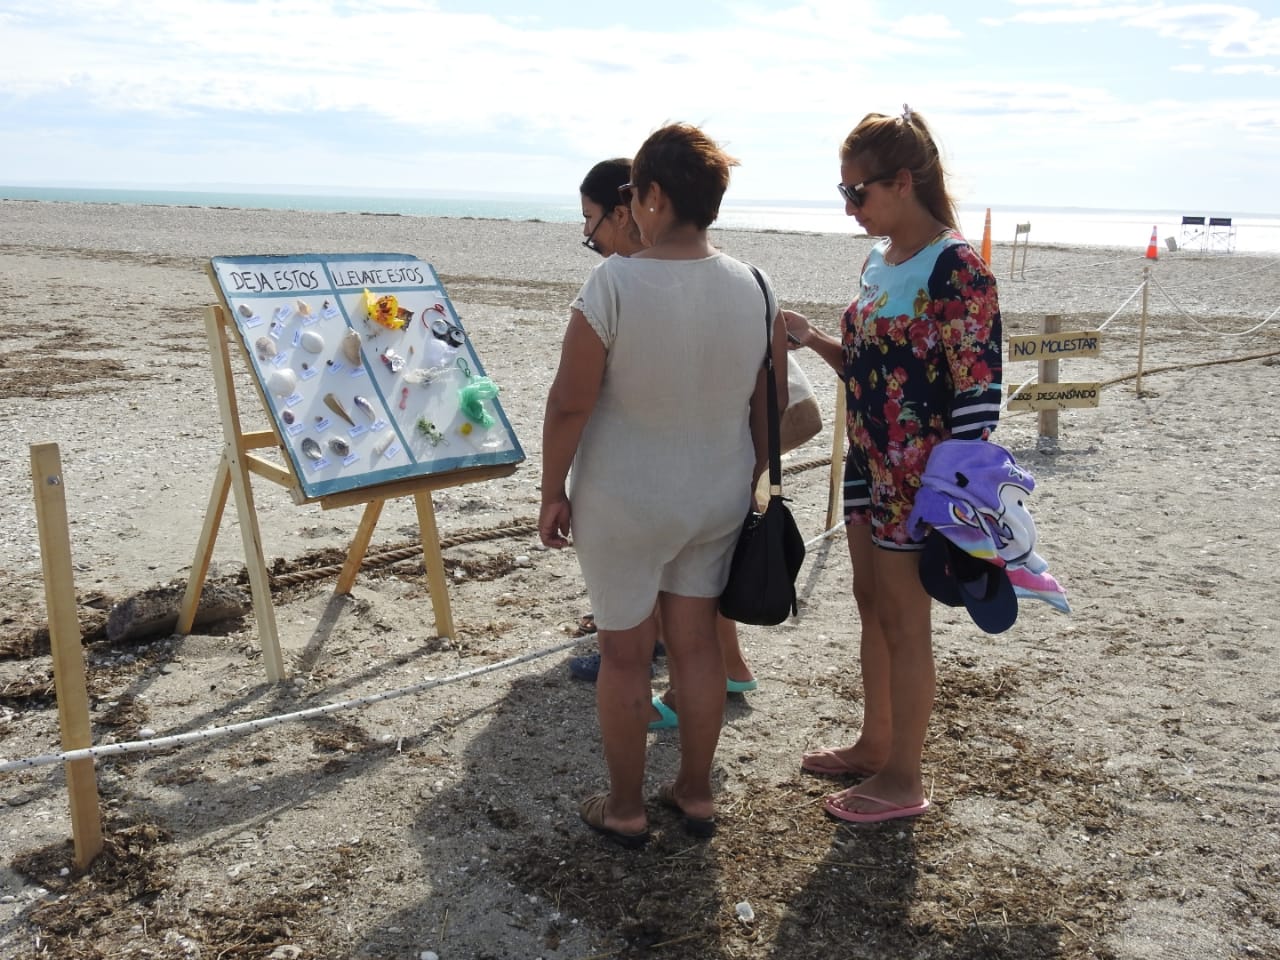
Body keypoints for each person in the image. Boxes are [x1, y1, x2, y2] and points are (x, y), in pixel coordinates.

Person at [540, 123, 789, 846]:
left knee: (624, 655)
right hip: (716, 494)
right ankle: (696, 791)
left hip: (624, 498)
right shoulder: (756, 285)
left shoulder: (613, 282)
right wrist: (753, 480)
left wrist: (552, 489)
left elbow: (570, 402)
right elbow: (767, 406)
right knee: (697, 647)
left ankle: (625, 806)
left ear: (650, 195)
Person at [783, 105, 1002, 824]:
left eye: (858, 192)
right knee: (871, 602)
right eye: (843, 191)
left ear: (903, 182)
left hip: (921, 479)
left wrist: (949, 499)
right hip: (869, 463)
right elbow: (871, 371)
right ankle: (875, 743)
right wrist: (812, 337)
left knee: (908, 622)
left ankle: (904, 778)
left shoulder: (957, 268)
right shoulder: (880, 261)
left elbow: (979, 396)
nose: (850, 207)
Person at [568, 157, 824, 729]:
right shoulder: (732, 279)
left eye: (591, 219)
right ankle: (708, 687)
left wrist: (744, 462)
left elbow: (797, 410)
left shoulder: (641, 283)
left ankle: (702, 676)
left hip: (663, 497)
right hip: (712, 491)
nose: (589, 235)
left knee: (675, 629)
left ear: (631, 209)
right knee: (694, 623)